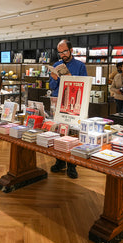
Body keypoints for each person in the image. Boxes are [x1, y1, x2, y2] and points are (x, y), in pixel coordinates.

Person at [48, 39, 87, 179]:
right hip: (58, 102)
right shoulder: (57, 65)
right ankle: (59, 161)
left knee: (72, 134)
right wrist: (54, 78)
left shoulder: (80, 66)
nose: (62, 55)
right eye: (60, 52)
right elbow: (52, 87)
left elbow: (85, 85)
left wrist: (71, 78)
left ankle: (72, 165)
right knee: (59, 133)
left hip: (73, 105)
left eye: (64, 51)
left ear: (71, 50)